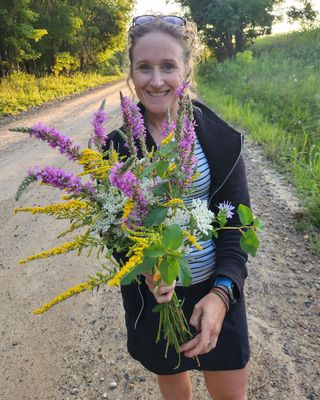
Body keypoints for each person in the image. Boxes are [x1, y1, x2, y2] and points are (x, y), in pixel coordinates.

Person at [107, 14, 251, 400]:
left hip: (215, 288)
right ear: (131, 72)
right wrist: (145, 270)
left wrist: (222, 295)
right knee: (175, 390)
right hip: (157, 298)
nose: (156, 80)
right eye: (144, 67)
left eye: (168, 66)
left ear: (187, 69)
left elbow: (238, 226)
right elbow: (112, 228)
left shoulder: (219, 139)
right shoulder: (115, 148)